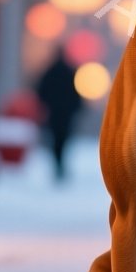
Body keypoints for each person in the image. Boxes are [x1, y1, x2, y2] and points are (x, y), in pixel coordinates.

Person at [35, 50, 82, 181]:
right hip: (66, 114)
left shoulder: (50, 72)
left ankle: (58, 164)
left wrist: (44, 106)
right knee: (63, 139)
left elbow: (41, 91)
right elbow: (76, 95)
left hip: (54, 113)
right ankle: (60, 164)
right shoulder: (70, 72)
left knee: (56, 140)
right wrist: (76, 109)